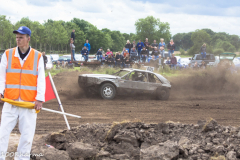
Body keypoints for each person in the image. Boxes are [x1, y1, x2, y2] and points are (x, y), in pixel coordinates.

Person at [0, 26, 45, 160]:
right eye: (17, 37)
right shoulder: (8, 54)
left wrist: (40, 98)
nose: (18, 40)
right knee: (2, 133)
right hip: (10, 101)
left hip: (29, 103)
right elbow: (1, 76)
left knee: (27, 136)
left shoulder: (37, 56)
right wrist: (1, 91)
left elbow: (41, 79)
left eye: (21, 37)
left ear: (28, 39)